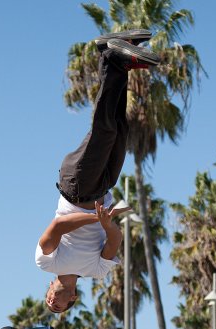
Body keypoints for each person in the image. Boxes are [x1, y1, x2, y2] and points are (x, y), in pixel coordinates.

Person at [36, 33, 160, 313]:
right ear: (73, 300)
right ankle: (117, 59)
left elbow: (56, 228)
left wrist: (96, 216)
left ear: (49, 290)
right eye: (59, 306)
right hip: (102, 189)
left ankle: (111, 58)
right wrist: (106, 225)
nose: (53, 301)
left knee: (104, 131)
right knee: (119, 130)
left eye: (49, 301)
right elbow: (114, 240)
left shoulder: (46, 262)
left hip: (77, 186)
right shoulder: (96, 271)